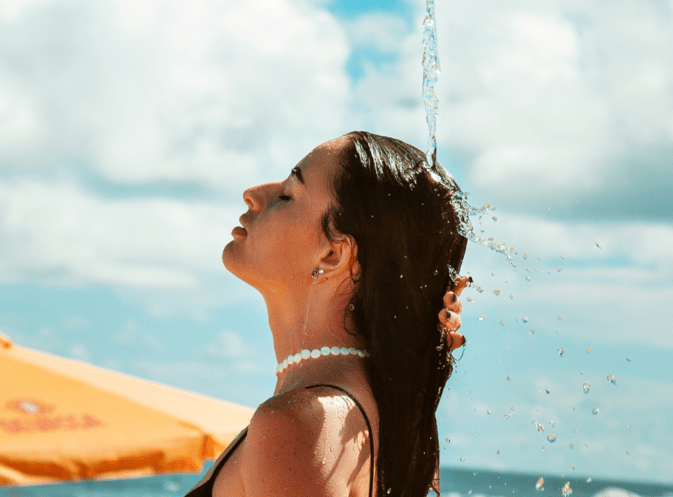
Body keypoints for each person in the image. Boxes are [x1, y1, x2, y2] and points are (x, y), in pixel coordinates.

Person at [186, 131, 470, 497]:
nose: (254, 194)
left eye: (288, 194)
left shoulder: (302, 423)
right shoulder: (353, 410)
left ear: (333, 255)